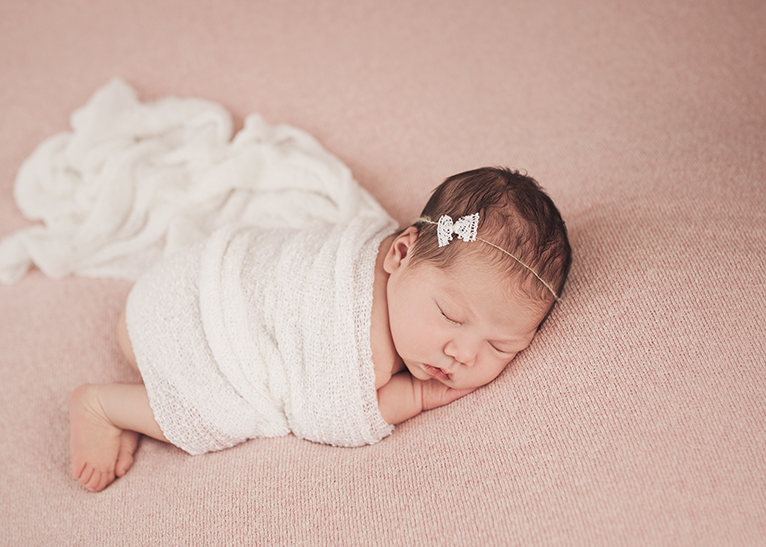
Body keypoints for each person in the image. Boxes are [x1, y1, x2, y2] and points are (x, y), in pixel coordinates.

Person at [69, 167, 572, 492]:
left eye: (500, 346)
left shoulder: (388, 258)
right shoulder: (369, 353)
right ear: (400, 252)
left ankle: (145, 398)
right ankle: (104, 405)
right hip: (185, 320)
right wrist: (418, 398)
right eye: (451, 316)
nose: (463, 352)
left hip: (181, 278)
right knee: (211, 418)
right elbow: (324, 416)